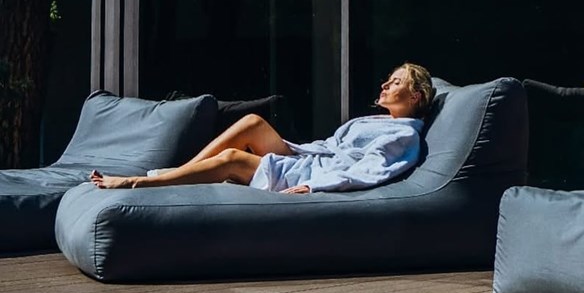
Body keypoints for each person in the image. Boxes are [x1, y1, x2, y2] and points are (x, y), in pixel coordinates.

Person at [90, 63, 435, 195]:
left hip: (316, 173)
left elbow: (369, 171)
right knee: (253, 123)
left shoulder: (404, 135)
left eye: (396, 82)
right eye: (388, 79)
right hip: (310, 157)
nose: (385, 85)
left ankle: (139, 184)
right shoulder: (379, 122)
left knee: (233, 159)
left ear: (415, 96)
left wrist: (314, 186)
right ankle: (180, 171)